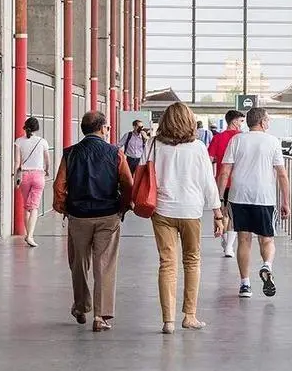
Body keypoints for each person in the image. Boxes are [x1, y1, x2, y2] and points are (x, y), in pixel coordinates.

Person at [142, 102, 223, 334]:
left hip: (162, 210)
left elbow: (143, 173)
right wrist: (217, 212)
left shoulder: (153, 144)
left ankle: (168, 321)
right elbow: (208, 182)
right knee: (192, 260)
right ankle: (189, 316)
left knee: (167, 263)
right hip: (191, 211)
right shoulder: (197, 147)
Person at [53, 111, 133, 332]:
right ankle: (101, 316)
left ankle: (81, 306)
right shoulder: (115, 153)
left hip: (78, 216)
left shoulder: (70, 153)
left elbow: (59, 186)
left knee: (79, 263)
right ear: (103, 128)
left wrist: (63, 208)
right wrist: (123, 208)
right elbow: (128, 184)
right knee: (105, 265)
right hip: (108, 215)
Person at [217, 107, 290, 299]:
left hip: (239, 195)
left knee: (243, 239)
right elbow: (282, 174)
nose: (269, 123)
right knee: (267, 239)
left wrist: (220, 200)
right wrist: (286, 202)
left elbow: (224, 172)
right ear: (263, 122)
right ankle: (267, 265)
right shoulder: (273, 141)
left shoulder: (236, 140)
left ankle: (245, 285)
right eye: (268, 120)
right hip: (264, 197)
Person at [208, 110, 245, 258]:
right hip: (238, 182)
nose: (243, 124)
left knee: (222, 213)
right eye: (241, 121)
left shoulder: (218, 138)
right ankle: (229, 246)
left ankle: (225, 242)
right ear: (234, 122)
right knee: (233, 215)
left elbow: (209, 159)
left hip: (221, 182)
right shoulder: (242, 139)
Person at [14, 117, 51, 248]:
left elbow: (17, 163)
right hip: (38, 176)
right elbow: (47, 160)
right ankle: (30, 236)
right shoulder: (42, 142)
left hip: (24, 175)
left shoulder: (19, 141)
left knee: (26, 206)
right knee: (34, 207)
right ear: (37, 128)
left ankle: (28, 234)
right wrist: (47, 170)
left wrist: (16, 178)